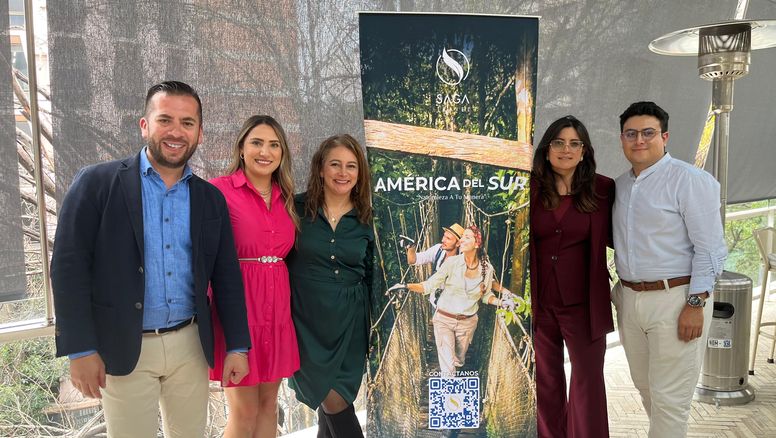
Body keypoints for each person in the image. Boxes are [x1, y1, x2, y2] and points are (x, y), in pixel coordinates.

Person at [50, 81, 251, 438]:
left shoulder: (209, 199)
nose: (176, 132)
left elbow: (226, 278)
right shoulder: (96, 183)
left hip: (190, 344)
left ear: (199, 133)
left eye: (187, 123)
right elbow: (68, 268)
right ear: (144, 125)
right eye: (165, 120)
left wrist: (237, 345)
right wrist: (79, 348)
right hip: (124, 346)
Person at [612, 101, 727, 438]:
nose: (639, 140)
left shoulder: (691, 181)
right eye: (631, 134)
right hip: (630, 300)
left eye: (648, 133)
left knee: (671, 399)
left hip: (677, 299)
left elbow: (711, 249)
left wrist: (696, 303)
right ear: (621, 139)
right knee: (646, 387)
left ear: (665, 136)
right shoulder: (618, 186)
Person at [208, 115, 300, 437]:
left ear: (282, 153)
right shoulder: (219, 190)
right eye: (257, 142)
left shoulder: (286, 197)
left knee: (268, 407)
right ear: (242, 149)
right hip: (238, 311)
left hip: (277, 313)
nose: (266, 151)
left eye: (274, 144)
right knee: (244, 412)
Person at [529, 115, 614, 438]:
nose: (566, 149)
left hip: (585, 304)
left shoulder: (604, 190)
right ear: (547, 149)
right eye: (559, 142)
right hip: (540, 305)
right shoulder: (528, 188)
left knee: (588, 382)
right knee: (546, 384)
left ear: (585, 151)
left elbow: (626, 234)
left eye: (574, 143)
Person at [287, 134, 374, 437]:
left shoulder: (368, 218)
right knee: (332, 400)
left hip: (351, 323)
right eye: (335, 164)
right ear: (320, 168)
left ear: (360, 173)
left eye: (351, 166)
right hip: (305, 323)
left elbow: (373, 276)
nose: (343, 172)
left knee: (336, 401)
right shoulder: (294, 208)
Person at [392, 225, 517, 377]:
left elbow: (486, 294)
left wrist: (501, 301)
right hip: (443, 317)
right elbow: (428, 285)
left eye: (467, 237)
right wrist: (406, 286)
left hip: (467, 322)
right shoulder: (449, 262)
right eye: (462, 236)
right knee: (447, 368)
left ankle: (456, 369)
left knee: (459, 359)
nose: (462, 240)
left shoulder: (487, 268)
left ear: (476, 244)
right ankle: (449, 393)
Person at [403, 222, 463, 306]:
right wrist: (411, 247)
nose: (443, 240)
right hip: (435, 303)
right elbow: (412, 260)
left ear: (458, 243)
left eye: (448, 238)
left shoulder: (463, 262)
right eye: (444, 236)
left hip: (452, 309)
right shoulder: (438, 250)